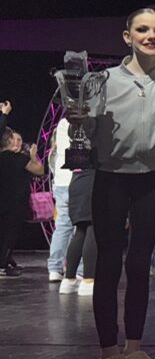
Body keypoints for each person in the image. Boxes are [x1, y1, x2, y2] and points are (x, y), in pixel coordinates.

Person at [72, 8, 155, 359]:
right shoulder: (102, 81)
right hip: (111, 178)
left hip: (152, 180)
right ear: (127, 36)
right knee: (109, 263)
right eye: (142, 29)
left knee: (140, 264)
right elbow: (87, 128)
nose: (151, 36)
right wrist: (78, 118)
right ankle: (107, 351)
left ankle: (134, 347)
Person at [0, 128, 44, 278]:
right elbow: (39, 170)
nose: (19, 143)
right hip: (15, 203)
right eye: (16, 139)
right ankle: (2, 266)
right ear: (9, 141)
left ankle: (6, 262)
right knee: (9, 235)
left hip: (3, 201)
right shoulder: (19, 159)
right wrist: (33, 155)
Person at [58, 168, 96, 296]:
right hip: (92, 182)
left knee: (80, 230)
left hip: (76, 182)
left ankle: (69, 280)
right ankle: (89, 280)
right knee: (92, 228)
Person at [46, 117, 75, 282]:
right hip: (76, 181)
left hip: (62, 184)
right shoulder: (80, 123)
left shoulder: (62, 124)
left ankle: (54, 268)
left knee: (63, 226)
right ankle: (78, 269)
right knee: (81, 227)